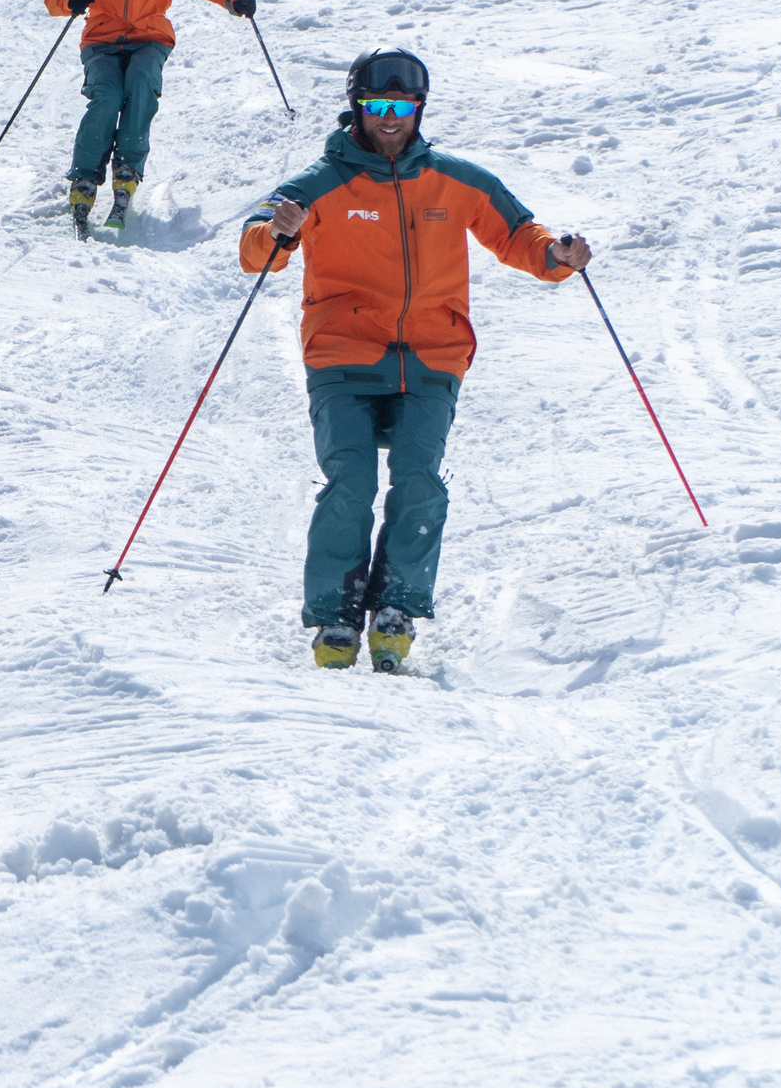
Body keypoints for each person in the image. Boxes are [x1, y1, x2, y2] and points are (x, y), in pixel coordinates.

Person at [238, 50, 591, 674]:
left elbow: (519, 235)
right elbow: (254, 247)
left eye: (402, 106)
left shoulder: (456, 180)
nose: (390, 119)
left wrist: (557, 256)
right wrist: (278, 233)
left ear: (419, 108)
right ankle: (336, 614)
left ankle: (396, 606)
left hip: (433, 353)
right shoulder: (317, 184)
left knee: (421, 482)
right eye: (377, 106)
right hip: (343, 354)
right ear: (357, 107)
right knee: (352, 481)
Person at [41, 0, 257, 237]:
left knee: (141, 84)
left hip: (149, 37)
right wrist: (70, 0)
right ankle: (84, 176)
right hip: (102, 41)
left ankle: (127, 167)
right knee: (106, 97)